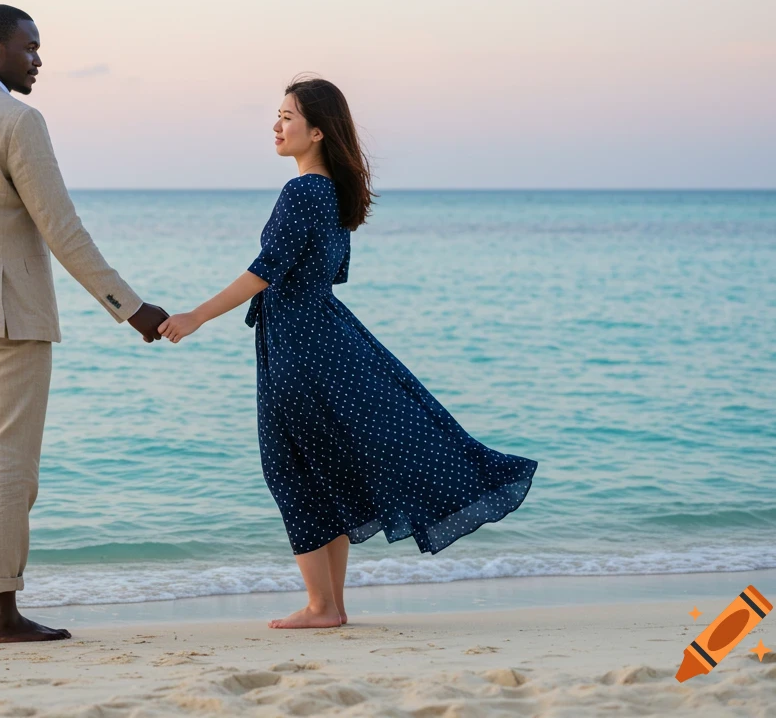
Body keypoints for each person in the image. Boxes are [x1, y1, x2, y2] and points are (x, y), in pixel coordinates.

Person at [158, 76, 538, 629]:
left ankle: (321, 606)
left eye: (287, 116)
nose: (276, 124)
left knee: (288, 469)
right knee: (316, 470)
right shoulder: (332, 193)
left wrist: (195, 316)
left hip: (299, 345)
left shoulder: (303, 191)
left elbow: (267, 270)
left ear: (316, 131)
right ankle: (329, 605)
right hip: (324, 335)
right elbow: (331, 272)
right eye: (278, 114)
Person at [0, 4, 170, 644]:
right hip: (12, 317)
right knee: (11, 465)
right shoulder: (18, 121)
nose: (38, 60)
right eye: (30, 48)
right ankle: (1, 612)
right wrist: (131, 308)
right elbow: (61, 229)